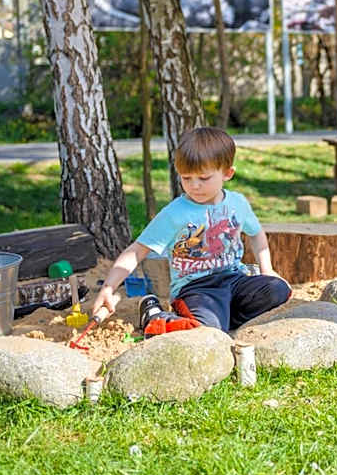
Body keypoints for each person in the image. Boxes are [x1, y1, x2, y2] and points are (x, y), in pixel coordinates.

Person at [90, 127, 291, 337]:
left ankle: (219, 320)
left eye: (203, 178)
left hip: (234, 279)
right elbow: (136, 251)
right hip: (196, 288)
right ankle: (153, 314)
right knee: (206, 331)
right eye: (186, 178)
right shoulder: (176, 213)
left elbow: (256, 234)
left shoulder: (237, 203)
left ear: (227, 173)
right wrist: (108, 287)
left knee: (278, 290)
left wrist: (267, 269)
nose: (194, 186)